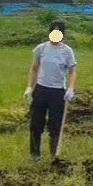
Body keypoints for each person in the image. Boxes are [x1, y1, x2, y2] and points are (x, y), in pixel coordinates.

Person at [25, 21, 77, 161]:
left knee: (55, 125)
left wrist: (71, 88)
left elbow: (72, 72)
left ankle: (54, 153)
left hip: (57, 92)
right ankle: (35, 154)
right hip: (41, 90)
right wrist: (30, 87)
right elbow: (34, 68)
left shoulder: (67, 51)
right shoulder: (41, 49)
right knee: (36, 123)